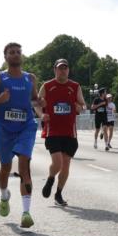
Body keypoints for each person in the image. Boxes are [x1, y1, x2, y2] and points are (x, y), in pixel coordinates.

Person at [0, 42, 42, 229]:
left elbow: (34, 100)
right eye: (11, 52)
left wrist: (40, 103)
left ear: (21, 56)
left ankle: (26, 212)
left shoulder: (30, 78)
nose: (15, 55)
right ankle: (4, 195)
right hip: (4, 129)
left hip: (26, 127)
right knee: (5, 167)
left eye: (18, 52)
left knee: (25, 164)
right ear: (5, 57)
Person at [39, 59, 86, 206]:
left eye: (65, 68)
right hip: (52, 131)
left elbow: (83, 105)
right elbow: (35, 102)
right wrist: (41, 114)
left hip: (70, 133)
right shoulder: (47, 86)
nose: (63, 71)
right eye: (60, 68)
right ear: (55, 70)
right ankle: (51, 178)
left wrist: (79, 107)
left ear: (68, 70)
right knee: (58, 163)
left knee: (66, 164)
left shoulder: (75, 86)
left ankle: (58, 193)